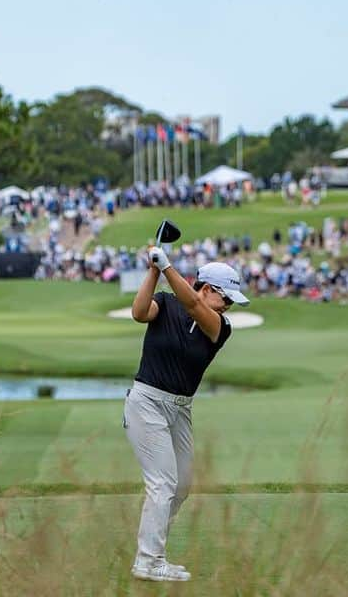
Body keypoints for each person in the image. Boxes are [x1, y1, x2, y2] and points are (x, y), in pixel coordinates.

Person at [124, 243, 249, 582]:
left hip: (180, 410)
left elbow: (193, 304)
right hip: (146, 401)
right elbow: (138, 312)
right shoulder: (164, 304)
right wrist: (153, 269)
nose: (228, 308)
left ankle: (155, 556)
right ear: (208, 288)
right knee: (163, 483)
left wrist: (166, 266)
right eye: (225, 299)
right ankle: (147, 563)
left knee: (182, 486)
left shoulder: (219, 327)